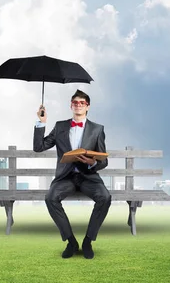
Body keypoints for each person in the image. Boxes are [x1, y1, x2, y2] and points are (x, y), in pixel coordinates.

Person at [33, 89, 111, 259]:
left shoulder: (97, 129)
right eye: (75, 102)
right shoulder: (60, 126)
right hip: (66, 177)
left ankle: (88, 241)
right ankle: (71, 241)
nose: (78, 105)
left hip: (88, 176)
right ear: (71, 105)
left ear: (88, 106)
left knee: (105, 197)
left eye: (82, 103)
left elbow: (103, 161)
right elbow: (39, 147)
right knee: (50, 198)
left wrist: (93, 162)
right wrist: (41, 122)